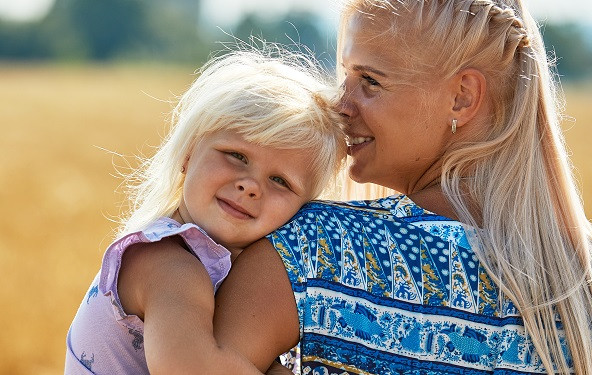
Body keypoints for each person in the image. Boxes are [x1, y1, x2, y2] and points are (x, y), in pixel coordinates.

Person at [213, 0, 592, 374]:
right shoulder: (577, 283)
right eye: (345, 77)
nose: (339, 105)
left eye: (370, 81)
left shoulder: (316, 250)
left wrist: (167, 266)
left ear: (462, 98)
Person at [64, 48, 346, 374]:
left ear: (302, 211)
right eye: (236, 156)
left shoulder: (219, 273)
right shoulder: (169, 264)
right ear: (188, 153)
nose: (250, 186)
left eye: (280, 180)